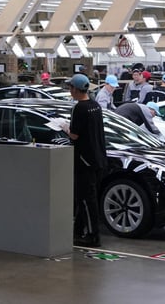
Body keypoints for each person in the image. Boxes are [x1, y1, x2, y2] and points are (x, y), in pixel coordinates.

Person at [64, 74, 107, 248]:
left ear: (75, 89)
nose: (69, 91)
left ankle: (92, 235)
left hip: (84, 160)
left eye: (70, 88)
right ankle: (79, 230)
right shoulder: (95, 106)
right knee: (88, 197)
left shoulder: (79, 109)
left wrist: (65, 127)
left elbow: (74, 134)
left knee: (85, 199)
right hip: (98, 158)